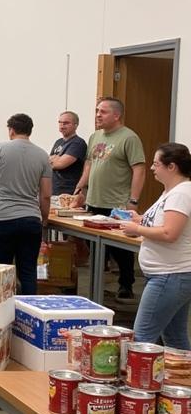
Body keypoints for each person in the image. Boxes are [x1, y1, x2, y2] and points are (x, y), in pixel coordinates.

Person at [72, 97, 146, 299]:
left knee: (119, 249)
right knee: (95, 246)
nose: (97, 115)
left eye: (102, 112)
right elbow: (89, 164)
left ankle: (126, 284)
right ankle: (100, 283)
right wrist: (81, 187)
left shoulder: (129, 138)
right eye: (97, 111)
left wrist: (133, 200)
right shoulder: (95, 137)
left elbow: (139, 169)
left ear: (116, 115)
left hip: (117, 203)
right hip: (94, 200)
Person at [118, 143, 191, 348]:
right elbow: (164, 222)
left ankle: (137, 378)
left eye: (156, 164)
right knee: (175, 338)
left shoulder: (180, 194)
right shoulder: (171, 192)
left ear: (172, 167)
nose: (152, 168)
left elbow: (169, 233)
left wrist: (136, 229)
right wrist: (140, 219)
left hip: (169, 275)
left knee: (142, 338)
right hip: (172, 274)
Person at [0, 113, 52, 295]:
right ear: (30, 131)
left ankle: (1, 313)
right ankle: (29, 316)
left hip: (2, 217)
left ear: (11, 130)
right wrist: (43, 219)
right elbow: (46, 195)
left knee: (0, 270)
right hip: (30, 220)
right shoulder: (43, 155)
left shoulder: (0, 148)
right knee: (28, 272)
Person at [49, 110, 87, 197]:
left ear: (76, 125)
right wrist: (53, 159)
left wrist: (55, 159)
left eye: (66, 123)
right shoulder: (58, 142)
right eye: (60, 122)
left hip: (68, 192)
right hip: (53, 189)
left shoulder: (77, 143)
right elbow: (47, 162)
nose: (62, 126)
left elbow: (59, 164)